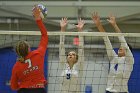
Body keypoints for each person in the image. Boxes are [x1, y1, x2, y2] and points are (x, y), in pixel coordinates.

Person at [92, 12, 134, 93]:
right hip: (109, 91)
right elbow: (106, 40)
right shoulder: (113, 58)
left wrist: (114, 25)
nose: (120, 48)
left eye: (122, 48)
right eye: (119, 47)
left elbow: (122, 40)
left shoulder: (129, 60)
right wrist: (98, 25)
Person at [10, 5, 48, 93]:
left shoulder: (17, 66)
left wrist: (24, 85)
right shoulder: (38, 54)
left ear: (17, 52)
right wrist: (38, 19)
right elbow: (44, 35)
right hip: (39, 90)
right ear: (28, 48)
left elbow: (13, 86)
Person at [59, 17, 85, 93]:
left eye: (73, 54)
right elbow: (61, 47)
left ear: (76, 58)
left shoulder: (79, 66)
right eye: (69, 54)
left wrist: (80, 31)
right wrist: (62, 29)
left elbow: (81, 48)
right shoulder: (63, 64)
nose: (70, 55)